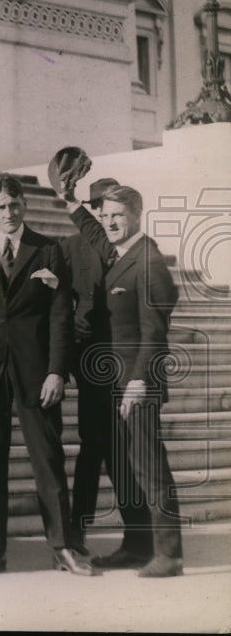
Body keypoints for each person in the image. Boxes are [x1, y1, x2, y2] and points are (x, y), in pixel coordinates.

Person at [0, 174, 95, 576]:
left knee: (47, 458)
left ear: (24, 205)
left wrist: (56, 372)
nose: (9, 213)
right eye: (1, 207)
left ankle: (62, 548)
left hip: (36, 372)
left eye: (15, 205)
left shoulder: (49, 250)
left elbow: (60, 313)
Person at [58, 184, 184, 577]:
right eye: (106, 215)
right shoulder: (120, 252)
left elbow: (154, 332)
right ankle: (136, 544)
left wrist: (138, 381)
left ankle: (169, 553)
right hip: (111, 386)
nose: (110, 222)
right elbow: (95, 231)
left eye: (118, 215)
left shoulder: (149, 262)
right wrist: (73, 204)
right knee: (123, 468)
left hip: (135, 384)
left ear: (137, 216)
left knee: (148, 466)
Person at [60, 177, 120, 554]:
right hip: (89, 362)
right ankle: (77, 531)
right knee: (92, 448)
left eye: (109, 205)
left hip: (123, 363)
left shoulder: (125, 249)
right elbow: (54, 299)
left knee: (125, 452)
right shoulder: (68, 247)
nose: (102, 211)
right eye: (96, 204)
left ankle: (139, 535)